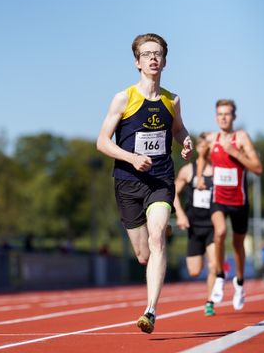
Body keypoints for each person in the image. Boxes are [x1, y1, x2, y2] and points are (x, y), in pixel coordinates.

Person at [97, 33, 193, 334]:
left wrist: (186, 141)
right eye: (147, 53)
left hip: (160, 179)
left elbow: (178, 130)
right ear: (137, 62)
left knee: (157, 238)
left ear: (164, 60)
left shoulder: (172, 100)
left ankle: (150, 311)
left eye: (158, 53)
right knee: (143, 254)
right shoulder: (123, 98)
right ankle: (154, 249)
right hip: (127, 182)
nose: (153, 58)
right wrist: (130, 157)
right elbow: (101, 142)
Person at [196, 99, 262, 311]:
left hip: (239, 201)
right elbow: (201, 156)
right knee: (220, 232)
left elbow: (258, 168)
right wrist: (198, 176)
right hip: (219, 198)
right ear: (216, 117)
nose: (223, 117)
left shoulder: (241, 138)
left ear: (234, 117)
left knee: (238, 245)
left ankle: (240, 282)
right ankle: (220, 276)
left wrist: (235, 153)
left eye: (227, 114)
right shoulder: (210, 138)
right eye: (220, 114)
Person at [174, 133, 217, 316]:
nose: (204, 149)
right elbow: (172, 193)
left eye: (208, 146)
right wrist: (181, 215)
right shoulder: (188, 171)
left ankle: (210, 302)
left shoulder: (217, 171)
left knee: (214, 265)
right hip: (194, 225)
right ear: (197, 148)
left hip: (213, 224)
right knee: (194, 271)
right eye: (201, 146)